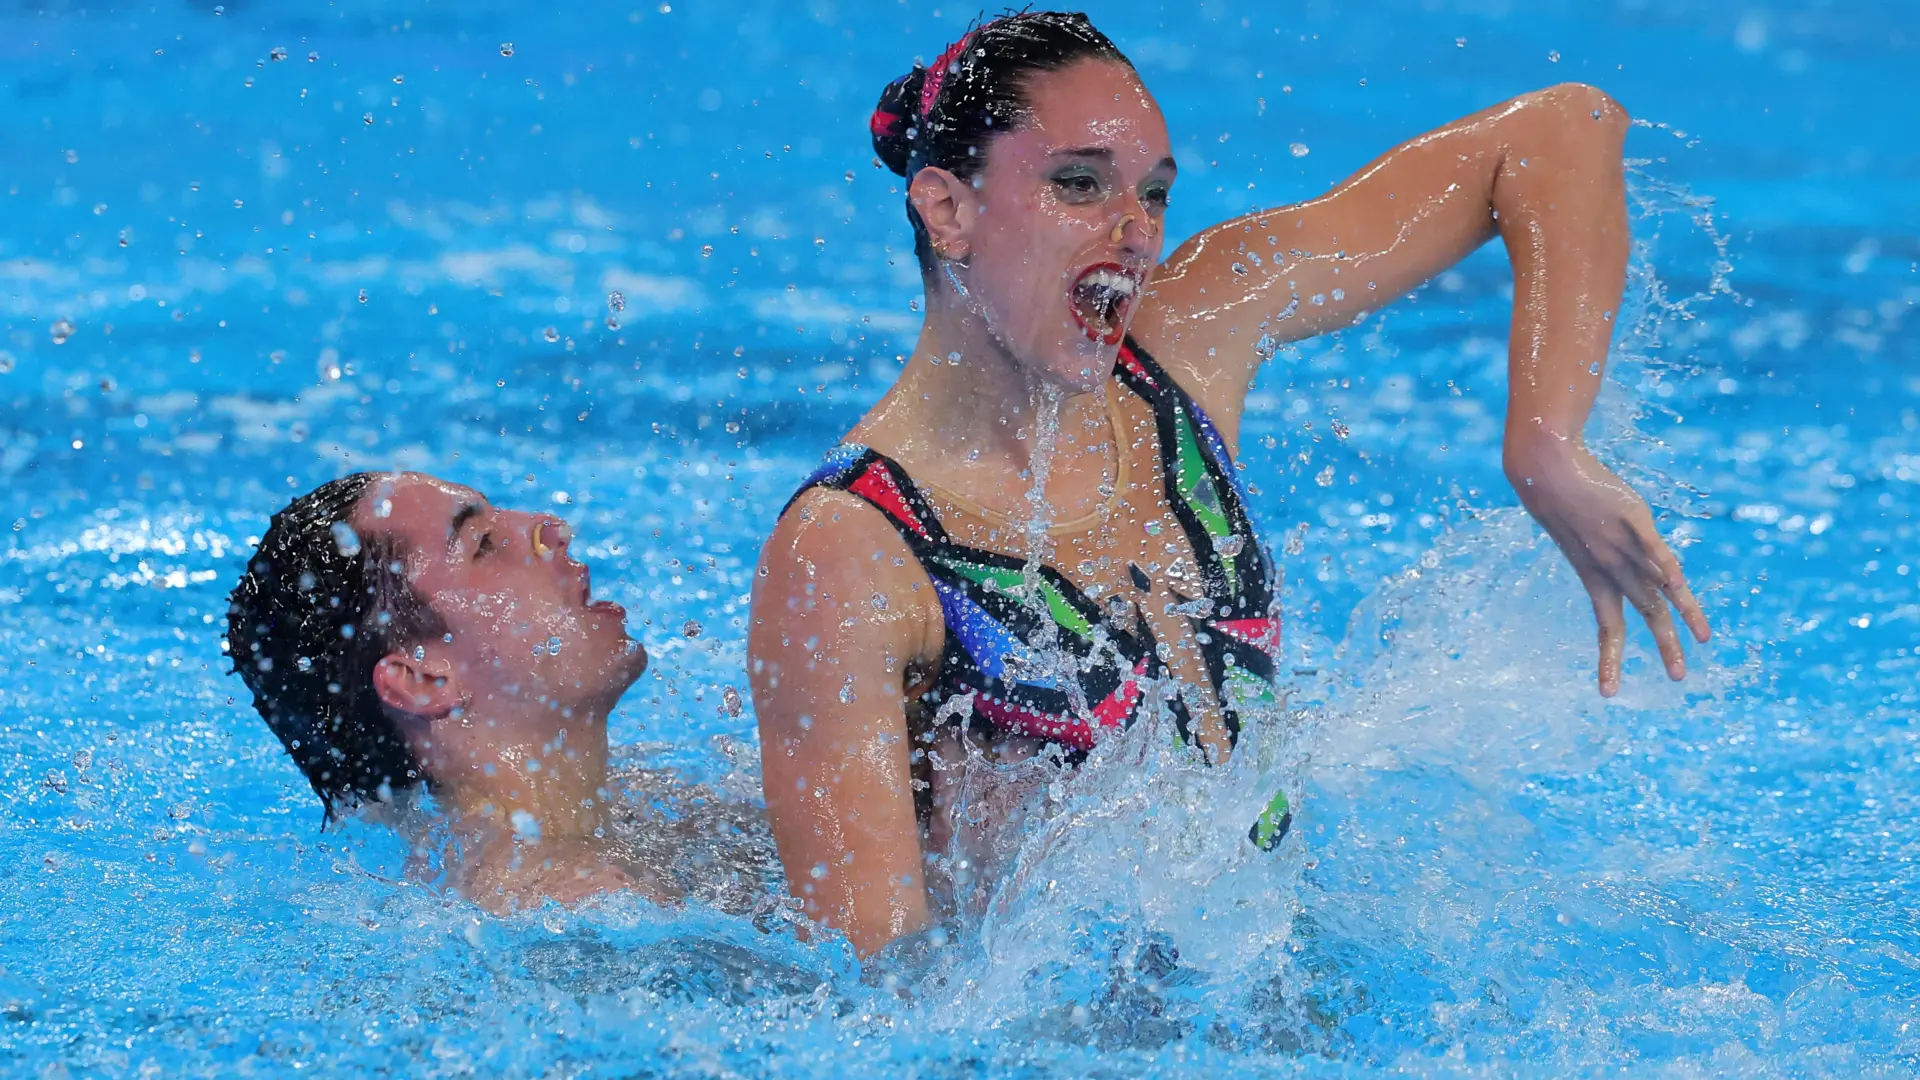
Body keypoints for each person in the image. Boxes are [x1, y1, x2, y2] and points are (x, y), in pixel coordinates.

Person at [749, 11, 1713, 956]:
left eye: (1156, 194)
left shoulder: (1184, 345)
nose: (1135, 232)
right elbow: (875, 990)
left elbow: (1561, 128)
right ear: (947, 209)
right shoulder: (849, 550)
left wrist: (1546, 445)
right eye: (1079, 184)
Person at [227, 471, 667, 913]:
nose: (551, 529)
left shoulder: (648, 805)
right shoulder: (575, 901)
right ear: (421, 682)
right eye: (483, 544)